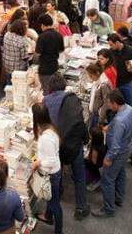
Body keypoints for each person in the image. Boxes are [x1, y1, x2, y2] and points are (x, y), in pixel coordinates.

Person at [43, 73, 90, 220]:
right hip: (74, 144)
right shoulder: (72, 98)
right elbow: (80, 122)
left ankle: (58, 193)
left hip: (56, 144)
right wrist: (85, 139)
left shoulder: (45, 100)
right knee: (79, 176)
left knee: (57, 173)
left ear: (50, 87)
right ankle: (81, 208)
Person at [92, 90, 132, 218]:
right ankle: (118, 198)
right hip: (127, 148)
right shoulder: (129, 109)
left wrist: (109, 158)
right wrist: (110, 126)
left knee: (107, 180)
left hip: (117, 153)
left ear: (115, 103)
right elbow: (118, 122)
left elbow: (115, 146)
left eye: (109, 104)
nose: (109, 106)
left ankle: (108, 209)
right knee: (121, 173)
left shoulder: (119, 121)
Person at [31, 103, 63, 234]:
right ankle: (48, 216)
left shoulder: (46, 138)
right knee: (51, 197)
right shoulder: (51, 128)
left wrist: (37, 163)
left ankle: (59, 231)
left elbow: (51, 161)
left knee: (55, 203)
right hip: (55, 171)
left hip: (51, 173)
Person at [106, 33, 132, 107]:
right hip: (115, 84)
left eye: (111, 45)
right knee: (117, 106)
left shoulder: (131, 50)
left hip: (127, 82)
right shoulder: (110, 52)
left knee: (130, 104)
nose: (110, 47)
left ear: (117, 42)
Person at [35, 14, 64, 94]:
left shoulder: (42, 37)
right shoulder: (59, 35)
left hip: (44, 69)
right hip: (55, 66)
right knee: (54, 89)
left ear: (42, 25)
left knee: (47, 91)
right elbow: (61, 50)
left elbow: (38, 53)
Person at [85, 126, 107, 191]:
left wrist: (86, 157)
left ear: (94, 138)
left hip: (96, 167)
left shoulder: (95, 149)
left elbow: (93, 162)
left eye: (90, 135)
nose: (89, 136)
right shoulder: (102, 144)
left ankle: (95, 180)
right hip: (101, 165)